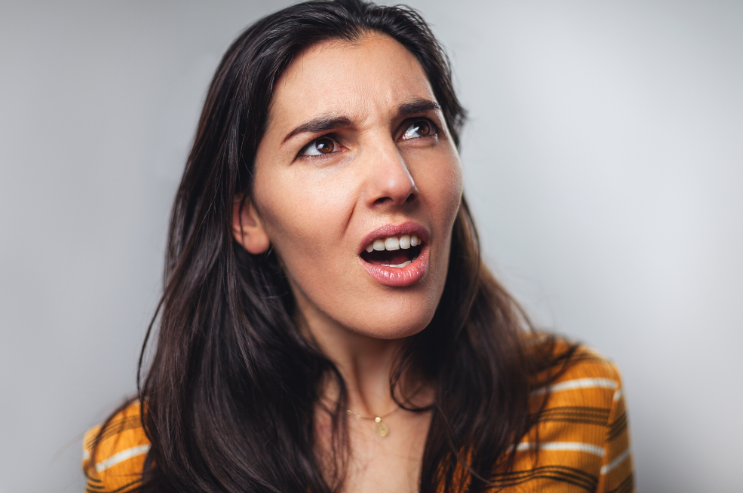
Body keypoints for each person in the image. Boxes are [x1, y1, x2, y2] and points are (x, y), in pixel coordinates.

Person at [82, 1, 634, 491]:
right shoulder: (133, 462)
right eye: (324, 144)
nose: (397, 180)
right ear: (248, 218)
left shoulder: (576, 398)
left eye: (418, 128)